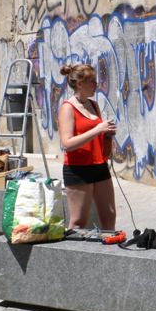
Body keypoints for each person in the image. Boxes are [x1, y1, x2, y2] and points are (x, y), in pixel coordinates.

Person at [58, 64, 117, 230]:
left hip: (99, 165)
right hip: (78, 169)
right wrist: (97, 129)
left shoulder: (93, 104)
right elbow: (67, 143)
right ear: (79, 84)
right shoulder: (67, 108)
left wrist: (106, 135)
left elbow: (95, 135)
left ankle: (108, 252)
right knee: (78, 221)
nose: (96, 85)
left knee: (109, 214)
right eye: (91, 81)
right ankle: (73, 254)